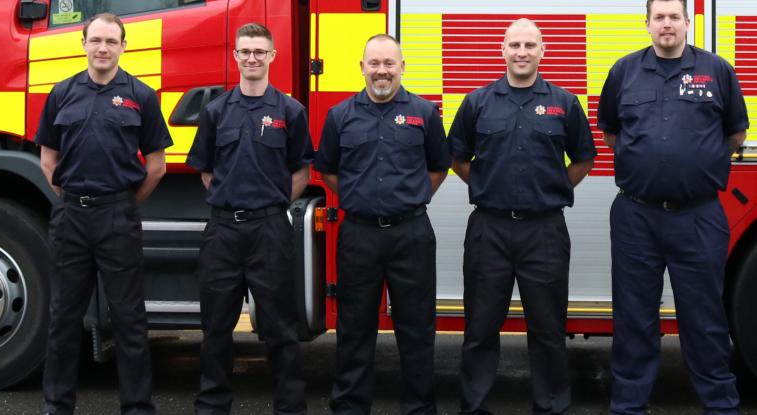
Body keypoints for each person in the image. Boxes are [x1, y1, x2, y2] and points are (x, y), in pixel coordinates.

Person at [597, 1, 748, 413]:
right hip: (636, 216)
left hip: (698, 215)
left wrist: (693, 165)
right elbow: (611, 132)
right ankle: (629, 405)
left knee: (704, 317)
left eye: (673, 17)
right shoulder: (624, 71)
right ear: (646, 24)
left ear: (687, 22)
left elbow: (735, 132)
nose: (666, 24)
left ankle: (720, 403)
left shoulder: (717, 70)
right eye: (658, 17)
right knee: (633, 317)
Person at [448, 18, 596, 415]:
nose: (522, 52)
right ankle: (474, 404)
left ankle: (550, 405)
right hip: (488, 229)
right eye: (515, 44)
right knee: (480, 327)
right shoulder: (478, 101)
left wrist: (552, 189)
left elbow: (584, 158)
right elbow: (457, 156)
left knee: (548, 329)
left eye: (530, 45)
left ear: (543, 51)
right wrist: (484, 186)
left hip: (544, 229)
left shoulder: (564, 102)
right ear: (503, 50)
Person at [36, 12, 172, 415]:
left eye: (111, 42)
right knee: (63, 319)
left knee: (130, 320)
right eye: (96, 40)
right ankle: (57, 407)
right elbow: (48, 159)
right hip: (72, 219)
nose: (103, 48)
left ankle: (137, 408)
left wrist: (124, 204)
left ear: (124, 47)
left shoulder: (141, 96)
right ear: (83, 43)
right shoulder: (61, 93)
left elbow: (156, 165)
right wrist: (74, 197)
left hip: (118, 217)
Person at [314, 34, 451, 414]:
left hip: (411, 234)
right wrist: (362, 198)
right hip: (358, 234)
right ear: (361, 67)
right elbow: (327, 170)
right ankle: (350, 406)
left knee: (417, 329)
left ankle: (419, 408)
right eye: (374, 63)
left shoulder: (424, 113)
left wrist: (410, 198)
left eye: (389, 63)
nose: (382, 71)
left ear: (402, 67)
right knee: (355, 329)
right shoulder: (340, 116)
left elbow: (439, 167)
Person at [186, 22, 312, 414]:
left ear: (272, 56)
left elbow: (301, 173)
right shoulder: (215, 111)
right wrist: (234, 203)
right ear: (236, 56)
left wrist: (268, 205)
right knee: (217, 327)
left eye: (260, 51)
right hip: (223, 230)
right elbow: (206, 171)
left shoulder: (290, 111)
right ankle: (212, 404)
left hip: (270, 230)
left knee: (279, 328)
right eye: (245, 51)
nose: (252, 58)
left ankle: (290, 406)